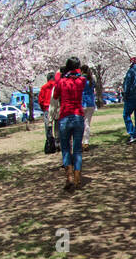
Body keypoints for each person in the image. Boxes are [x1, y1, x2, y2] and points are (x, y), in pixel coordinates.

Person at [53, 58, 87, 191]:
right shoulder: (81, 81)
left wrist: (60, 75)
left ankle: (69, 177)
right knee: (77, 149)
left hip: (65, 116)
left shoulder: (62, 81)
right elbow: (81, 76)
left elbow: (56, 96)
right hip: (78, 116)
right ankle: (78, 177)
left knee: (66, 147)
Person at [38, 71, 58, 141]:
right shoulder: (57, 86)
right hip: (56, 108)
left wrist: (43, 108)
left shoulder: (44, 87)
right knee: (57, 125)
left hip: (47, 108)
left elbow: (40, 100)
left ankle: (49, 141)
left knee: (48, 125)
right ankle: (57, 141)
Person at [80, 65, 97, 148]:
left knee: (80, 123)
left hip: (82, 103)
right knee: (87, 123)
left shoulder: (80, 79)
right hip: (91, 103)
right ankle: (86, 142)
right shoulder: (92, 80)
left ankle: (80, 142)